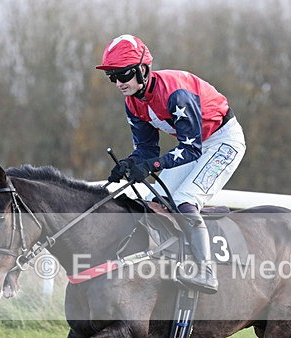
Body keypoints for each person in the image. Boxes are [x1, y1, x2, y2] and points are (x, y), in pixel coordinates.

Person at [97, 34, 246, 295]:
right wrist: (128, 164)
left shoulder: (176, 94)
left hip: (223, 140)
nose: (119, 83)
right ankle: (163, 262)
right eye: (112, 77)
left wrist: (152, 165)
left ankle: (206, 271)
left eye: (123, 74)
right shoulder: (133, 102)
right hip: (195, 145)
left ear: (143, 69)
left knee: (184, 201)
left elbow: (190, 148)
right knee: (147, 199)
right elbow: (147, 150)